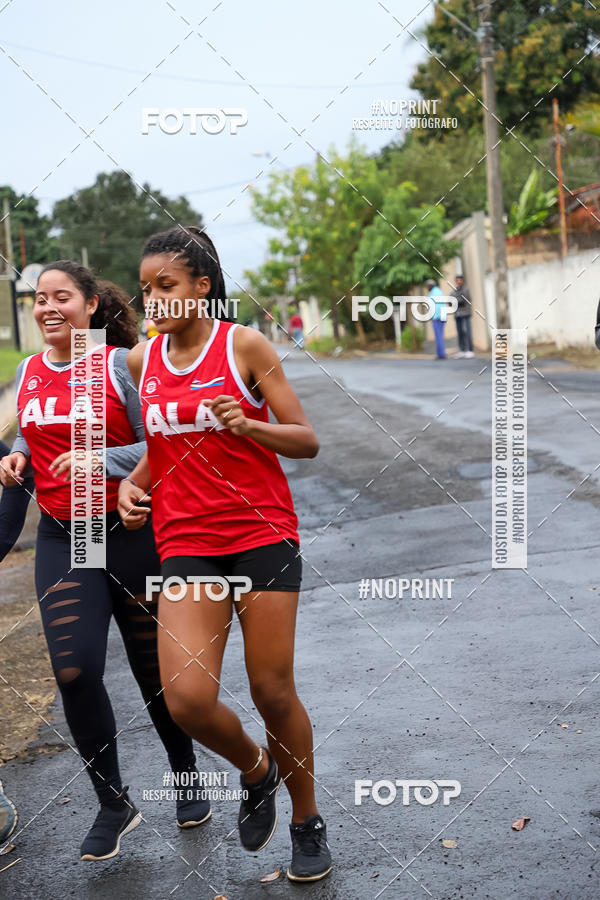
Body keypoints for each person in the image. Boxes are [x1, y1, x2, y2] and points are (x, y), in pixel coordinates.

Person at [117, 225, 332, 883]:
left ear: (201, 287)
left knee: (271, 689)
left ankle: (306, 821)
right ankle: (256, 770)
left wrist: (248, 423)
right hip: (187, 543)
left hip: (261, 533)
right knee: (185, 699)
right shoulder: (141, 362)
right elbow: (166, 446)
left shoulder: (243, 345)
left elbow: (305, 439)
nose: (153, 300)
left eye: (167, 285)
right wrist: (131, 484)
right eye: (146, 288)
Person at [0, 261, 211, 862]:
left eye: (61, 296)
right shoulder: (28, 370)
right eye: (39, 298)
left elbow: (161, 441)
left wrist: (102, 461)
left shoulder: (122, 365)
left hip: (128, 531)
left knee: (154, 672)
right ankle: (113, 803)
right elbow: (34, 432)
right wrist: (18, 457)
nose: (48, 307)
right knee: (74, 671)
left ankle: (186, 772)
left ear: (91, 305)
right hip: (66, 538)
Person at [451, 275, 474, 358]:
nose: (458, 282)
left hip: (465, 314)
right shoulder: (454, 290)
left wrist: (455, 301)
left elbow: (464, 301)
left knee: (467, 332)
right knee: (460, 332)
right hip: (458, 315)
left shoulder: (465, 289)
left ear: (462, 281)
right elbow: (450, 300)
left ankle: (470, 350)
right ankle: (462, 350)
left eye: (460, 280)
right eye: (457, 280)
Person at [427, 278, 446, 359]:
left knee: (439, 336)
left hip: (437, 317)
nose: (427, 288)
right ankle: (440, 353)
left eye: (428, 286)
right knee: (439, 336)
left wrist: (434, 317)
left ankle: (441, 354)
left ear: (431, 286)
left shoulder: (434, 293)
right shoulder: (437, 291)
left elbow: (436, 306)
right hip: (441, 317)